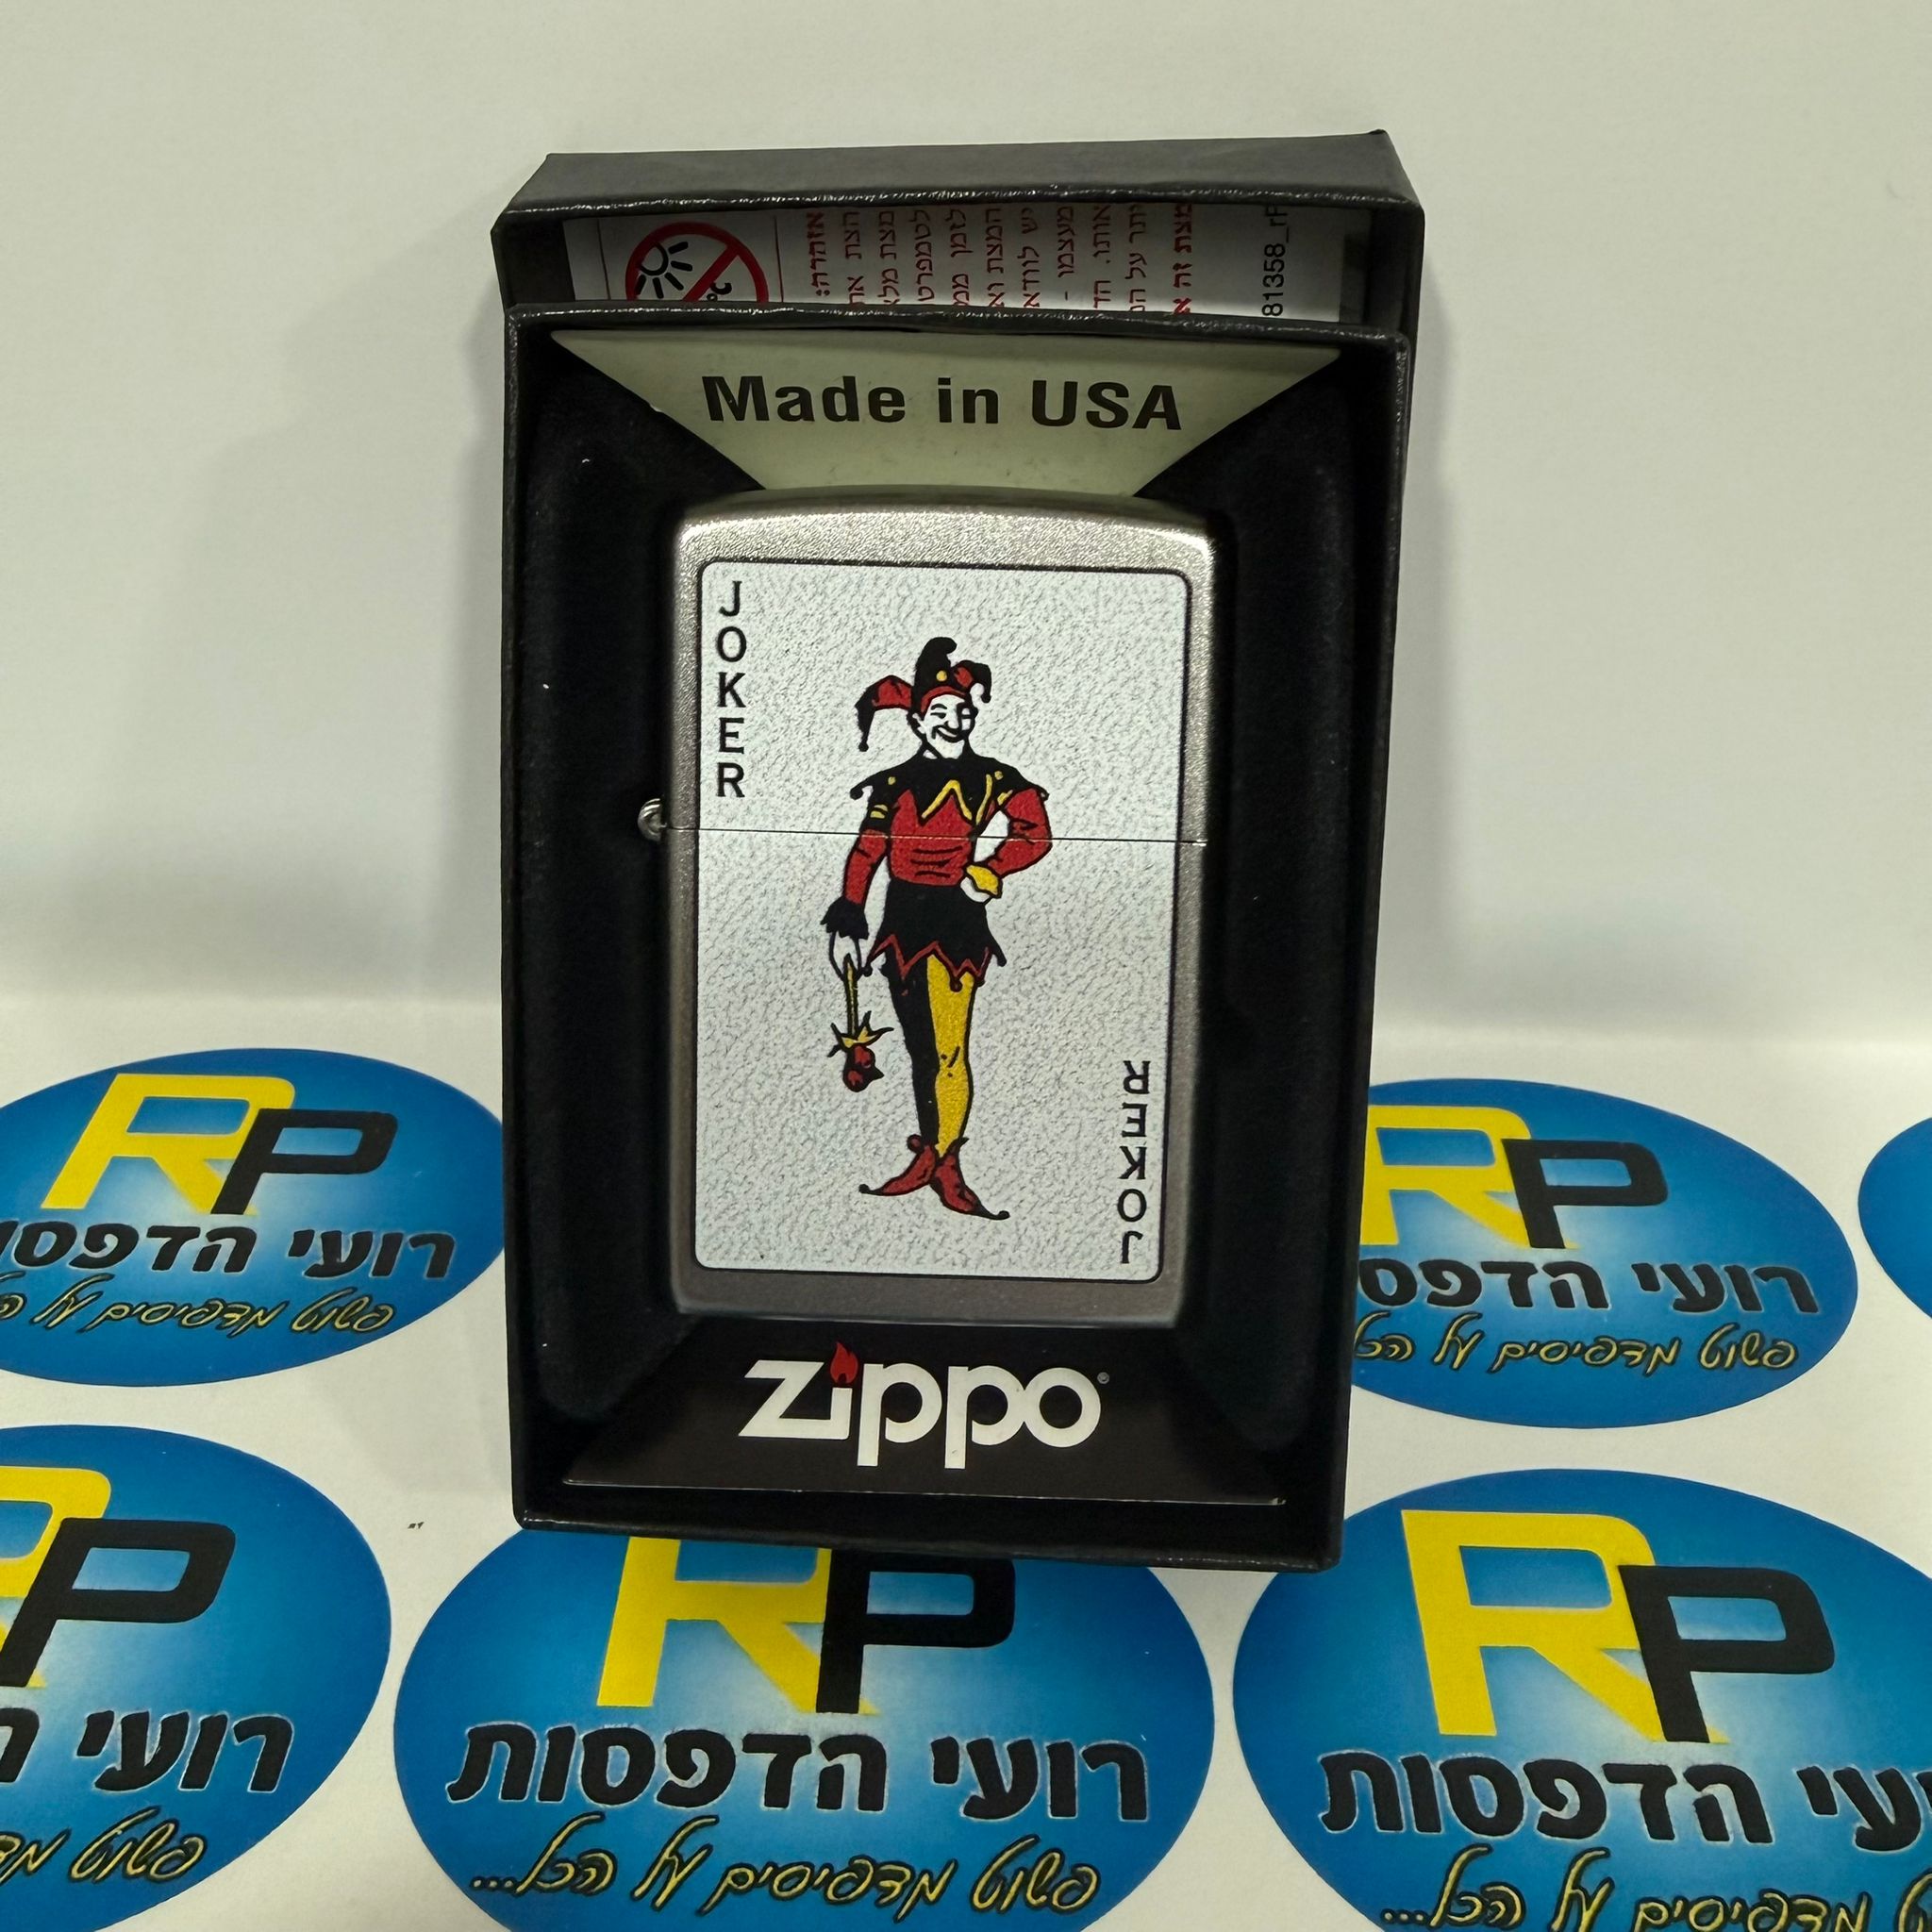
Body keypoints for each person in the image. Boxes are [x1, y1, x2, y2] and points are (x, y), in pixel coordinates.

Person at [822, 636, 1052, 1217]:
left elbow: (1035, 833)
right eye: (941, 712)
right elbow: (869, 847)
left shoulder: (994, 778)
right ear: (919, 723)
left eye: (963, 710)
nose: (955, 719)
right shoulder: (894, 782)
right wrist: (850, 909)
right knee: (920, 1048)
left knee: (949, 1050)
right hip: (901, 916)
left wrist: (991, 870)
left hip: (955, 918)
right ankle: (931, 1149)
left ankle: (947, 1163)